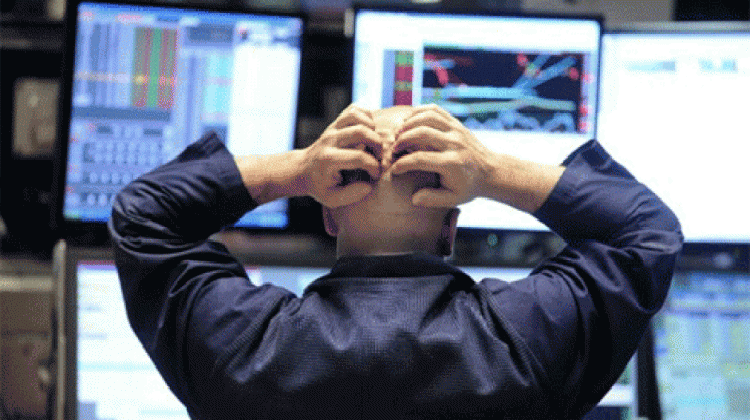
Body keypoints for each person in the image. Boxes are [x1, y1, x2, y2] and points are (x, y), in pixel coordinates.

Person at [109, 104, 682, 419]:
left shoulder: (243, 347)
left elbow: (143, 215)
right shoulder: (524, 341)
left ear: (329, 217)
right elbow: (645, 229)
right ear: (451, 230)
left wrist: (298, 169)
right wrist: (491, 173)